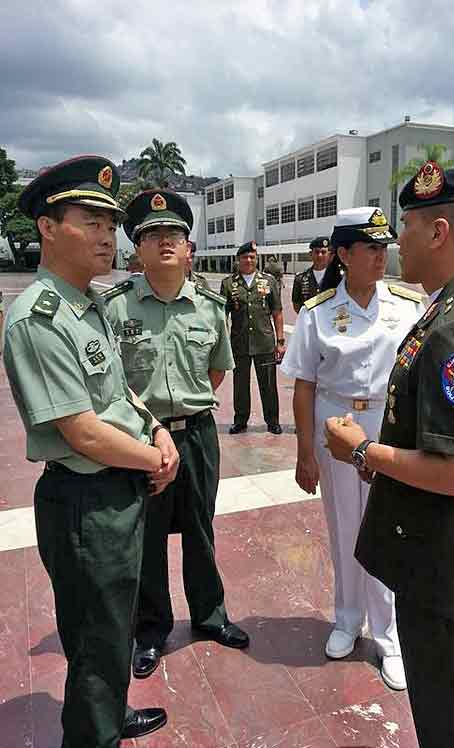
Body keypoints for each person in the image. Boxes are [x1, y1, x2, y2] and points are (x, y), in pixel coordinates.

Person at [325, 162, 454, 748]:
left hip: (446, 562)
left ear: (438, 232)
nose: (396, 245)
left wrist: (363, 449)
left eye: (406, 228)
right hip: (450, 555)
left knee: (453, 717)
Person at [2, 156, 179, 746]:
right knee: (95, 634)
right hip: (84, 500)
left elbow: (118, 393)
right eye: (91, 221)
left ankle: (107, 713)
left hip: (117, 487)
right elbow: (80, 430)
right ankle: (93, 733)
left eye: (111, 224)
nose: (109, 236)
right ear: (48, 228)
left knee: (112, 627)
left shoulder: (89, 302)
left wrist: (157, 428)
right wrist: (155, 460)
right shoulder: (39, 317)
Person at [104, 189, 249, 679]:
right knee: (145, 537)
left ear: (189, 249)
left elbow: (216, 372)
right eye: (152, 234)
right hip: (141, 441)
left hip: (198, 436)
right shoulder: (115, 309)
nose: (164, 241)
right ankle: (151, 629)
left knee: (200, 530)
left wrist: (185, 412)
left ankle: (210, 617)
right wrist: (153, 427)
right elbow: (111, 385)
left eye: (174, 234)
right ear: (137, 249)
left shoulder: (211, 307)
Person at [281, 207, 423, 691]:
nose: (381, 257)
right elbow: (303, 383)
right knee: (344, 528)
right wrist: (305, 451)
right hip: (335, 424)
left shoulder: (408, 304)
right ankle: (347, 619)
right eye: (370, 248)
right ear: (343, 254)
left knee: (387, 528)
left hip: (388, 424)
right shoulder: (317, 312)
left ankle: (389, 636)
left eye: (385, 248)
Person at [220, 241, 286, 434]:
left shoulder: (269, 281)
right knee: (240, 386)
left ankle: (272, 421)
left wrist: (280, 341)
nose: (248, 260)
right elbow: (222, 314)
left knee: (268, 385)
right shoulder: (228, 284)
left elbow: (277, 312)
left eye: (252, 257)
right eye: (244, 257)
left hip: (264, 343)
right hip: (239, 343)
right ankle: (240, 420)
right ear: (238, 259)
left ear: (256, 259)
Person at [291, 236, 331, 313]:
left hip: (331, 323)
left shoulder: (339, 277)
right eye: (316, 252)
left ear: (329, 255)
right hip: (310, 322)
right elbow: (296, 304)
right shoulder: (300, 278)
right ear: (310, 254)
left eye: (323, 252)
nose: (320, 255)